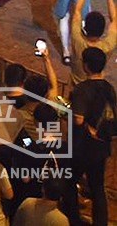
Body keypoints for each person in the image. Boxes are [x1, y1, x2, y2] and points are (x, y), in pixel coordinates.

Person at [62, 47, 115, 226]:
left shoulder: (82, 89)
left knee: (69, 182)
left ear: (86, 66)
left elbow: (78, 120)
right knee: (97, 187)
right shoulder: (109, 88)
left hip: (81, 147)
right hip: (101, 146)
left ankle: (73, 220)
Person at [69, 0, 116, 85]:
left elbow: (77, 11)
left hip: (76, 84)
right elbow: (114, 20)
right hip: (98, 85)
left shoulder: (78, 40)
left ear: (85, 28)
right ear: (103, 30)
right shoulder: (108, 46)